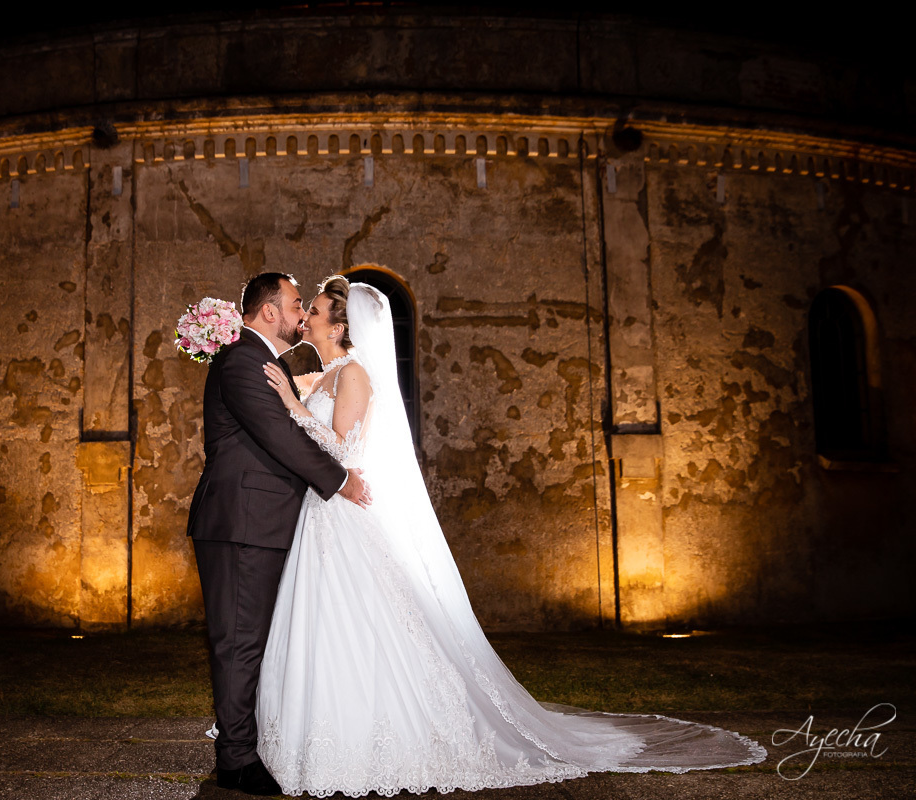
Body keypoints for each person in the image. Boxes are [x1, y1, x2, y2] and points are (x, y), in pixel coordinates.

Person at [255, 275, 768, 797]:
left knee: (361, 625)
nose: (306, 317)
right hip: (322, 518)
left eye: (313, 311)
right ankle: (314, 732)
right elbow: (286, 407)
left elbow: (343, 453)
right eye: (307, 309)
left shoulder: (356, 376)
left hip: (346, 517)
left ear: (339, 324)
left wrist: (295, 410)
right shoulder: (322, 376)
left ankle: (375, 737)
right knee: (323, 622)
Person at [186, 272, 372, 796]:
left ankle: (246, 746)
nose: (300, 314)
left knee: (251, 642)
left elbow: (293, 429)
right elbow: (278, 438)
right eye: (295, 304)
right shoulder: (244, 360)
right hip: (243, 522)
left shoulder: (265, 363)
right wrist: (339, 482)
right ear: (270, 311)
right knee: (240, 643)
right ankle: (238, 762)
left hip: (258, 521)